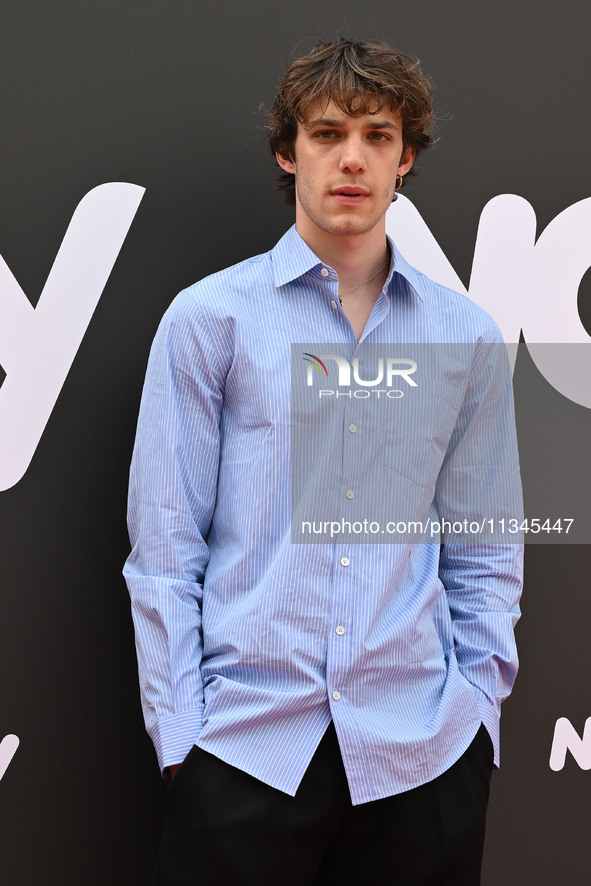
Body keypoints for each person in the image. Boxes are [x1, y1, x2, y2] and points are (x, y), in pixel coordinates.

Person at [124, 37, 523, 885]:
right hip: (244, 749)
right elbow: (164, 548)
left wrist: (476, 713)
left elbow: (487, 548)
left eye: (378, 136)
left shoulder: (466, 336)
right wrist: (181, 736)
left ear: (405, 157)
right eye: (327, 132)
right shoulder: (208, 321)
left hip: (420, 755)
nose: (352, 158)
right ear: (287, 150)